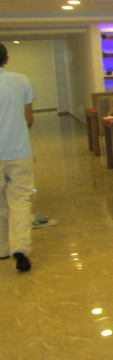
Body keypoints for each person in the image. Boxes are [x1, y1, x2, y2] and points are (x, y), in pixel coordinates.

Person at [0, 42, 35, 272]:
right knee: (20, 201)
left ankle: (2, 247)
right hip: (19, 151)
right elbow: (29, 119)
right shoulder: (22, 80)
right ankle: (20, 249)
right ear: (6, 59)